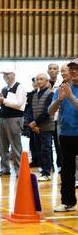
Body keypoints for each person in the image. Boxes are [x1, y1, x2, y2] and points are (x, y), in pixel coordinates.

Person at [49, 58, 78, 212]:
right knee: (66, 170)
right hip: (66, 134)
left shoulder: (69, 90)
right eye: (71, 68)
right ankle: (68, 202)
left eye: (76, 68)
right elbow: (50, 111)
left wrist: (71, 97)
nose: (74, 71)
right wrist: (59, 100)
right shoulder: (63, 87)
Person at [0, 70, 27, 177]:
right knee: (2, 146)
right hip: (2, 119)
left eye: (7, 74)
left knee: (15, 146)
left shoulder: (19, 87)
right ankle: (5, 168)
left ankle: (19, 170)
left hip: (15, 118)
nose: (5, 76)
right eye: (4, 74)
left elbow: (19, 103)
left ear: (13, 74)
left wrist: (3, 100)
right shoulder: (4, 89)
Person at [26, 73, 54, 181]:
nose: (38, 81)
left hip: (46, 126)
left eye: (41, 79)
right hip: (35, 127)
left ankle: (47, 172)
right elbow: (30, 111)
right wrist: (32, 124)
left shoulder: (50, 94)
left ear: (47, 81)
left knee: (46, 149)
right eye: (37, 79)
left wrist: (35, 123)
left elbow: (47, 111)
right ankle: (42, 170)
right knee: (38, 149)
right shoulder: (34, 95)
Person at [47, 63, 63, 169]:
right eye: (50, 69)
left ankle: (61, 165)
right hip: (47, 119)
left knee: (59, 144)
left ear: (58, 71)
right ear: (48, 71)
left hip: (58, 118)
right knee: (47, 145)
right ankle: (49, 166)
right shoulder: (44, 83)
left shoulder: (62, 83)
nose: (52, 70)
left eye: (55, 69)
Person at [25, 77, 38, 167]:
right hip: (30, 122)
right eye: (34, 82)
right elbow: (26, 109)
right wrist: (30, 122)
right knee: (32, 142)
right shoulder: (29, 95)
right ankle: (34, 160)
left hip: (41, 122)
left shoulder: (47, 93)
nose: (36, 83)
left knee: (42, 144)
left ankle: (44, 163)